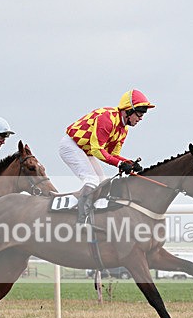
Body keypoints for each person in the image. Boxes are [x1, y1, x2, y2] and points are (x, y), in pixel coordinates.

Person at [59, 89, 154, 227]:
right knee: (91, 181)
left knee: (103, 183)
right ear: (128, 110)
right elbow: (97, 150)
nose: (141, 118)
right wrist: (121, 164)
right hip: (71, 145)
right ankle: (80, 222)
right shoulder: (107, 119)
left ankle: (95, 218)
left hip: (86, 150)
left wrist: (129, 163)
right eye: (139, 113)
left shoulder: (123, 129)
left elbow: (112, 154)